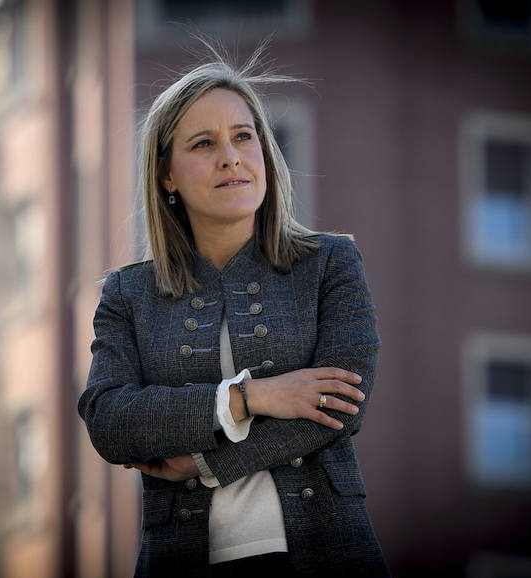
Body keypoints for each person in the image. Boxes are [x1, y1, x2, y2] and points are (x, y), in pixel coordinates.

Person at [77, 47, 390, 577]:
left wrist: (204, 463)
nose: (231, 157)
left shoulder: (331, 263)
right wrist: (250, 398)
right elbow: (110, 422)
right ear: (167, 175)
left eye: (243, 137)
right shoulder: (128, 294)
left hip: (328, 554)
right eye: (204, 143)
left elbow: (342, 405)